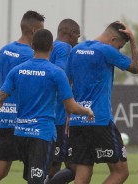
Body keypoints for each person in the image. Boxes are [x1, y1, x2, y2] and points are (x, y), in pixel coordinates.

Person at [0, 29, 94, 184]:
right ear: (51, 47)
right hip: (42, 136)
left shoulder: (17, 71)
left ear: (32, 45)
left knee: (33, 179)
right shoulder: (56, 73)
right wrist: (87, 111)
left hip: (21, 135)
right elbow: (70, 107)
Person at [66, 21, 138, 184]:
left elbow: (66, 84)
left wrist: (68, 116)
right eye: (119, 47)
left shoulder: (76, 50)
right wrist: (133, 40)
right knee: (120, 172)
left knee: (83, 172)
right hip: (99, 120)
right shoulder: (106, 50)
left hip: (77, 122)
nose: (118, 50)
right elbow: (136, 67)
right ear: (113, 39)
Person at [0, 10, 45, 184]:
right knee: (34, 173)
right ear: (34, 30)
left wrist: (2, 107)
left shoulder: (4, 51)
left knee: (0, 170)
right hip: (26, 122)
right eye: (42, 30)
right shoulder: (31, 56)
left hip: (5, 119)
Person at [46, 19, 80, 184]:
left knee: (54, 164)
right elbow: (60, 76)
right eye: (77, 37)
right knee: (74, 168)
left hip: (50, 116)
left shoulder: (51, 47)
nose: (78, 41)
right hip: (60, 117)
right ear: (72, 34)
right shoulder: (65, 48)